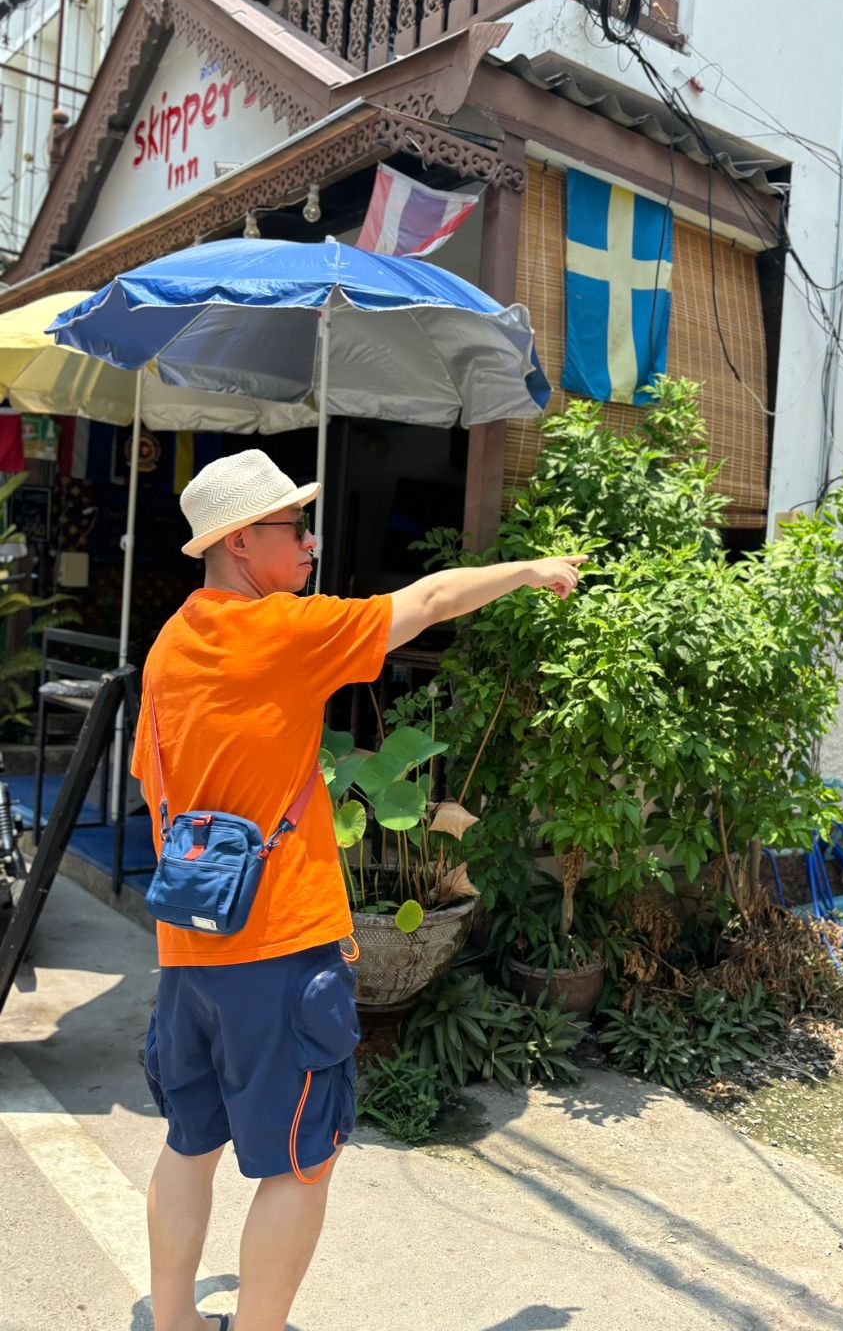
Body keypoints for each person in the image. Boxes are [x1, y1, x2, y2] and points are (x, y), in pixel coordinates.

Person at [132, 449, 583, 1331]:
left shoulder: (169, 645)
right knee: (299, 1163)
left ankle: (178, 1321)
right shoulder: (282, 633)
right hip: (283, 948)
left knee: (190, 1143)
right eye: (292, 529)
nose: (307, 545)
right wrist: (530, 569)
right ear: (236, 544)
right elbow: (428, 601)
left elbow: (157, 788)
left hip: (190, 946)